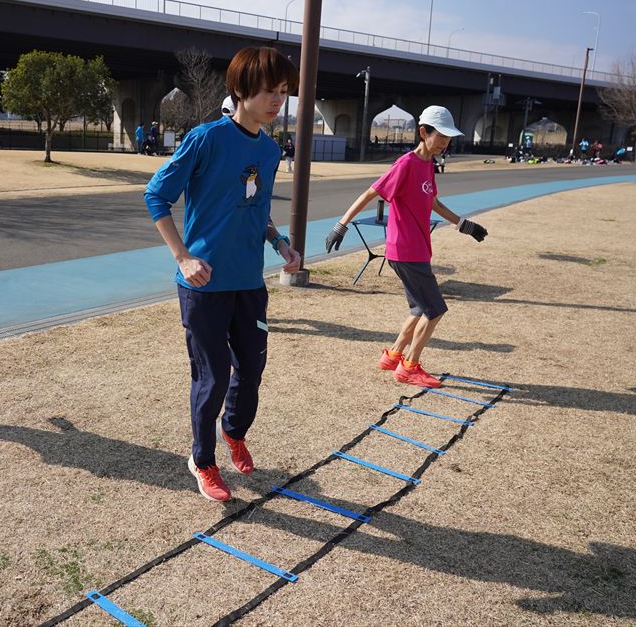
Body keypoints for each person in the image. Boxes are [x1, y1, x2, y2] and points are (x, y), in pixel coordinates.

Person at [144, 46, 300, 502]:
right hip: (204, 285)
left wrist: (280, 242)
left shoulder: (269, 150)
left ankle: (234, 431)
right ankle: (202, 460)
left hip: (249, 283)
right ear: (241, 89)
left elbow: (258, 207)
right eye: (269, 91)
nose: (277, 101)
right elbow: (156, 196)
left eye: (283, 91)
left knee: (250, 370)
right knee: (211, 378)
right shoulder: (206, 139)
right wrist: (183, 257)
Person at [323, 105, 488, 389]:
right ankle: (410, 367)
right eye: (441, 135)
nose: (445, 142)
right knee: (435, 310)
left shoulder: (428, 164)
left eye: (449, 137)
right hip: (406, 250)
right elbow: (371, 192)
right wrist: (342, 224)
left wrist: (464, 225)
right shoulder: (406, 164)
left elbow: (433, 202)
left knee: (419, 309)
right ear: (423, 132)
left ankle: (393, 356)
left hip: (417, 249)